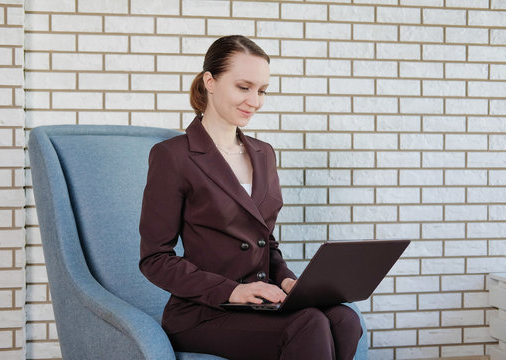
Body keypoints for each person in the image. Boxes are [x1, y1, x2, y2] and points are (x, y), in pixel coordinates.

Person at [139, 35, 362, 360]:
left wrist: (287, 280)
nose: (255, 101)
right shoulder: (173, 156)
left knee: (345, 319)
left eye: (262, 90)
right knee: (308, 324)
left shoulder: (263, 153)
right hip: (203, 311)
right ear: (210, 81)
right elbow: (155, 259)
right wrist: (233, 290)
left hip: (260, 300)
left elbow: (265, 242)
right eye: (244, 87)